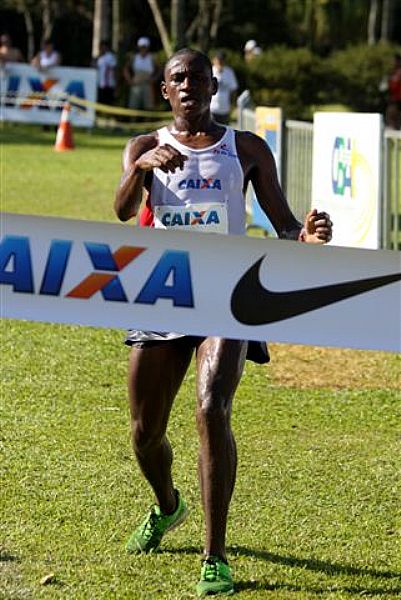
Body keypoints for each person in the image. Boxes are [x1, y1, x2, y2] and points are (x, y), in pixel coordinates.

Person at [114, 48, 332, 597]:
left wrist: (306, 235)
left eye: (198, 78)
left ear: (215, 87)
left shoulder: (248, 149)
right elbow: (119, 211)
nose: (188, 85)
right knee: (145, 433)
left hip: (229, 296)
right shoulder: (144, 146)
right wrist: (139, 170)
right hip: (164, 294)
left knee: (212, 406)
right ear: (164, 90)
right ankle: (168, 506)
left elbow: (282, 224)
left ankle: (215, 555)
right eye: (178, 78)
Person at [124, 36, 157, 111]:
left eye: (145, 47)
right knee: (133, 106)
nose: (143, 49)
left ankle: (148, 122)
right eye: (142, 47)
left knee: (149, 107)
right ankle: (132, 122)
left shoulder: (152, 57)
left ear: (148, 47)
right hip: (136, 84)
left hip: (148, 84)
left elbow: (161, 69)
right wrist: (129, 80)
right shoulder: (134, 57)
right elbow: (125, 69)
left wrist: (154, 79)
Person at [210, 50, 238, 125]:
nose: (220, 62)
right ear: (214, 60)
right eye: (218, 59)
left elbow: (233, 89)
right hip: (211, 109)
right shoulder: (210, 71)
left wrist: (233, 105)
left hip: (225, 110)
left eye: (222, 60)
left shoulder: (229, 72)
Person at [94, 40, 117, 105]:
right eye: (101, 47)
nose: (102, 49)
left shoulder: (110, 56)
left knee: (108, 102)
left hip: (108, 84)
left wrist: (116, 84)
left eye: (104, 47)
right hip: (100, 84)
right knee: (100, 101)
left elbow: (114, 69)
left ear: (107, 48)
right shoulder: (99, 57)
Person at [385, 53, 401, 130]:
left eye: (394, 61)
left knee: (392, 114)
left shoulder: (398, 73)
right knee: (391, 115)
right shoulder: (393, 72)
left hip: (398, 98)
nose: (392, 62)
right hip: (394, 98)